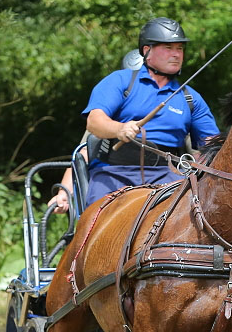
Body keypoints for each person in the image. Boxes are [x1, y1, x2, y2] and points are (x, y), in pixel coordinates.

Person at [48, 18, 219, 214]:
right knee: (99, 223)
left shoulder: (190, 98)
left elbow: (212, 145)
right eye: (168, 47)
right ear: (147, 50)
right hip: (113, 174)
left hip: (168, 175)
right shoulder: (120, 81)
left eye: (180, 48)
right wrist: (119, 129)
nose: (176, 54)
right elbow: (94, 121)